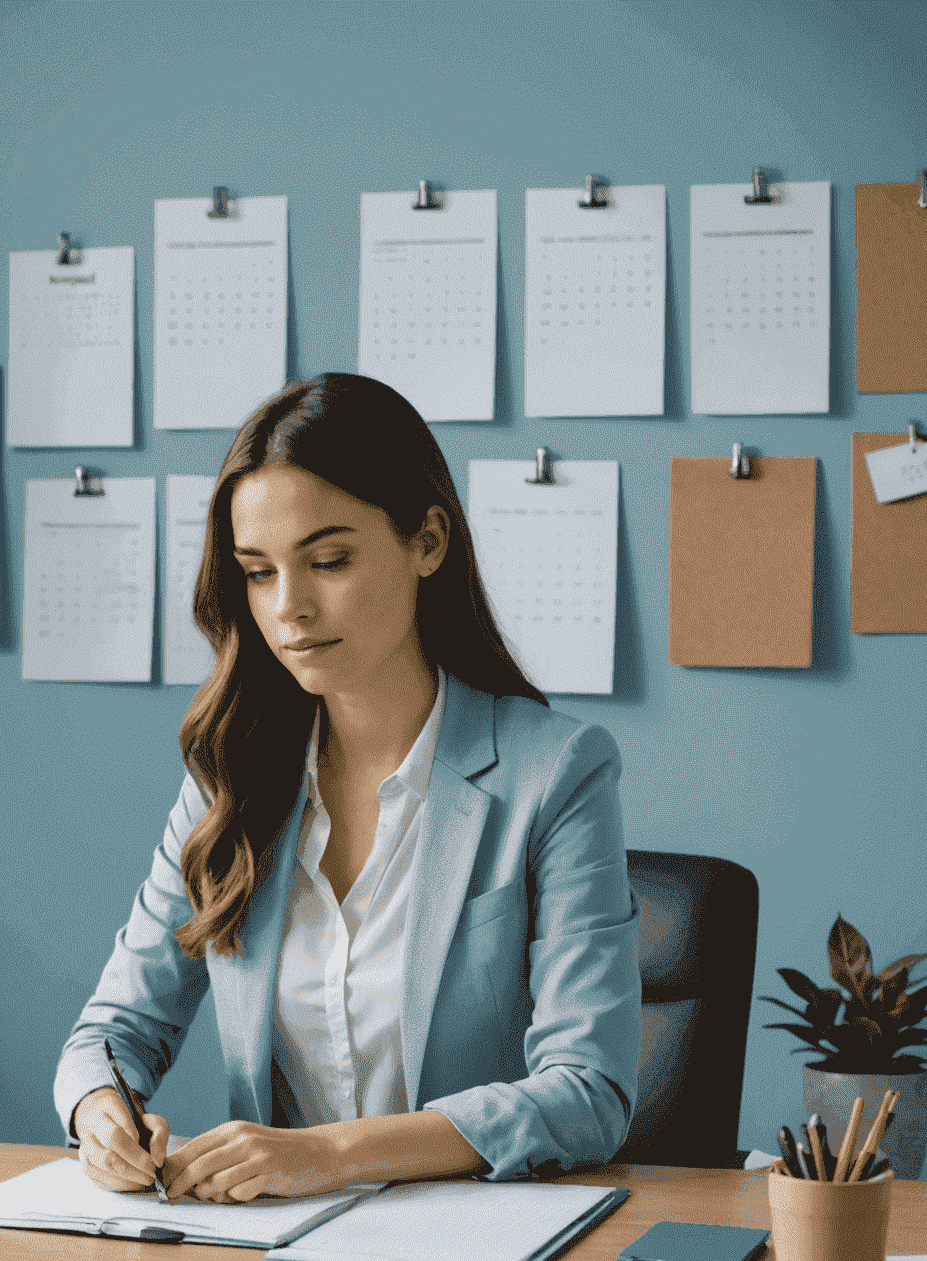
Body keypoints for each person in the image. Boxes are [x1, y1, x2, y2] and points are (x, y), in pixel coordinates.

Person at [54, 372, 641, 1202]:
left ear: (427, 542)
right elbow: (112, 1030)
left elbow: (588, 1092)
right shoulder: (230, 777)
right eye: (258, 572)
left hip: (477, 1250)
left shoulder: (558, 772)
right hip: (275, 1249)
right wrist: (99, 1110)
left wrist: (332, 1154)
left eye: (328, 560)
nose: (289, 607)